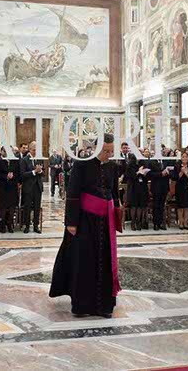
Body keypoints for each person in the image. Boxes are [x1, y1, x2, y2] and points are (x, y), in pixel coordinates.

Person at [50, 134, 121, 318]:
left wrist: (117, 214)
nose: (108, 154)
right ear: (96, 149)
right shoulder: (82, 165)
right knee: (84, 261)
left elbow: (114, 192)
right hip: (84, 221)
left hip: (105, 222)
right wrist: (71, 222)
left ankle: (105, 305)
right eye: (105, 151)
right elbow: (73, 192)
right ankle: (82, 305)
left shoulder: (113, 167)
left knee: (105, 261)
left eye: (111, 151)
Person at [20, 140, 45, 234]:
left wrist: (40, 171)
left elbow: (43, 173)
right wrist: (34, 172)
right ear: (30, 149)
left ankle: (36, 226)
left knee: (37, 207)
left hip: (38, 187)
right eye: (34, 150)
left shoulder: (40, 159)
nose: (35, 152)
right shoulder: (24, 160)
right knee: (27, 207)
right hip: (28, 187)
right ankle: (27, 226)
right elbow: (22, 174)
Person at [124, 153, 149, 231]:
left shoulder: (143, 164)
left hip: (142, 187)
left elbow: (147, 177)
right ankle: (133, 222)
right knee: (134, 205)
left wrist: (144, 173)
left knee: (140, 205)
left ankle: (139, 222)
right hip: (133, 187)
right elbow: (130, 176)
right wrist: (138, 172)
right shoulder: (130, 165)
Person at [0, 146, 19, 233]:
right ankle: (2, 225)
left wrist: (13, 176)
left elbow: (18, 173)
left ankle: (10, 224)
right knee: (3, 207)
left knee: (12, 206)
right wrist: (6, 176)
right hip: (3, 187)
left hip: (12, 187)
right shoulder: (0, 162)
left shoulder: (15, 161)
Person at [171, 151, 188, 230]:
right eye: (183, 157)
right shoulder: (177, 166)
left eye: (186, 157)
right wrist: (181, 172)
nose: (184, 158)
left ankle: (185, 222)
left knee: (187, 205)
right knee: (180, 205)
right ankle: (181, 222)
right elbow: (174, 177)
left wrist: (186, 173)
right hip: (180, 188)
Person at [148, 155, 171, 230]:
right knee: (156, 205)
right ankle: (156, 223)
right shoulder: (152, 162)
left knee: (162, 206)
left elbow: (171, 173)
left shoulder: (166, 161)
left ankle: (161, 222)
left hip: (164, 187)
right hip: (156, 187)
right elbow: (150, 174)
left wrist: (168, 173)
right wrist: (161, 174)